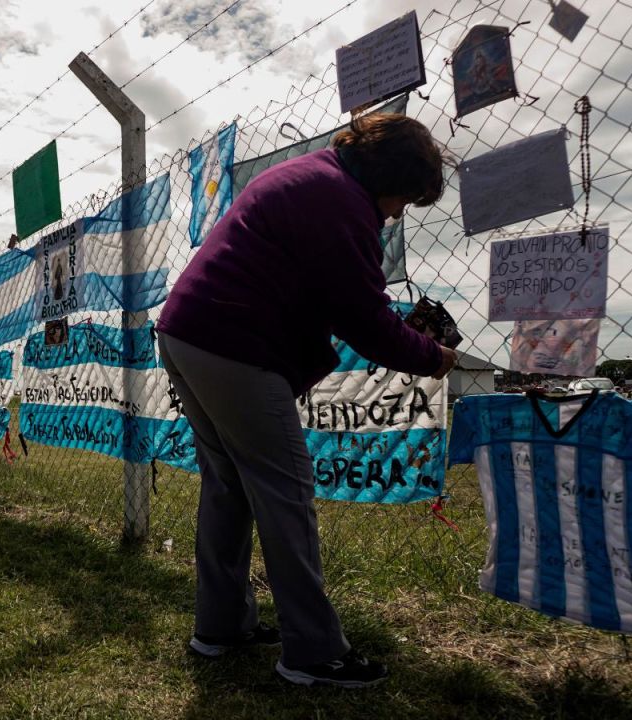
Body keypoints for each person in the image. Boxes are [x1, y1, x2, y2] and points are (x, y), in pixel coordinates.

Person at [156, 113, 458, 689]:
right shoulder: (341, 202)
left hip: (189, 334)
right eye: (405, 199)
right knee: (285, 492)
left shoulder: (309, 176)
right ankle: (312, 652)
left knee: (229, 486)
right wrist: (429, 356)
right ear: (391, 175)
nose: (397, 213)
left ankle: (220, 626)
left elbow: (335, 299)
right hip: (234, 345)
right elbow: (365, 319)